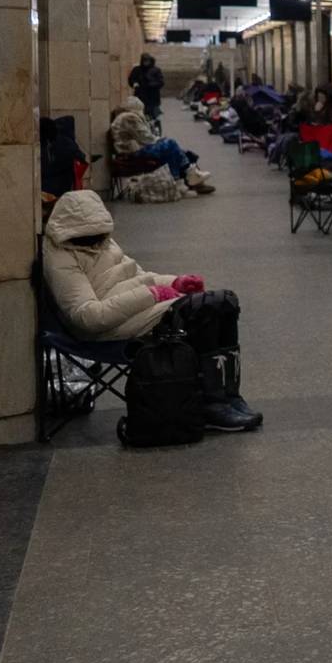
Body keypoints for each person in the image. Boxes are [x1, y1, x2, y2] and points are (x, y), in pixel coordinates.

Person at [41, 190, 261, 432]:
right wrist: (153, 295)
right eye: (90, 236)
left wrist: (173, 282)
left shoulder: (102, 242)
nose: (97, 241)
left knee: (225, 302)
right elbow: (89, 317)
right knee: (201, 311)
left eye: (100, 234)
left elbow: (138, 276)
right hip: (108, 328)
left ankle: (229, 396)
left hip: (129, 311)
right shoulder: (61, 259)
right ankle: (212, 404)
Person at [110, 97, 213, 193]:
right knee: (170, 145)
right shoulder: (129, 117)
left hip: (131, 153)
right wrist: (161, 140)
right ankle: (185, 178)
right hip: (132, 155)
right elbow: (147, 139)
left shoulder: (124, 117)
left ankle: (189, 177)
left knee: (174, 148)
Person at [127, 53, 164, 123]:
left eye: (147, 61)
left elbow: (161, 82)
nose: (146, 63)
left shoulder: (156, 70)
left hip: (152, 96)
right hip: (140, 95)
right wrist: (134, 83)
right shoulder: (137, 70)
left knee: (153, 116)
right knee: (140, 115)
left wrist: (150, 85)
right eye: (144, 61)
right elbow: (131, 79)